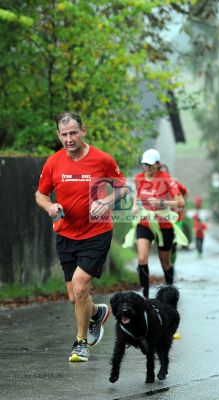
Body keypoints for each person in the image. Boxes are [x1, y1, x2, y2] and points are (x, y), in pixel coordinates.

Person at [35, 111, 127, 362]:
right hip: (65, 233)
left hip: (96, 232)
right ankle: (97, 312)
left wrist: (107, 201)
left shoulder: (102, 159)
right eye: (64, 134)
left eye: (73, 133)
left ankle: (80, 343)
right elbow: (40, 195)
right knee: (74, 296)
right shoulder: (53, 162)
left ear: (83, 131)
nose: (69, 139)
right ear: (58, 135)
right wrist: (50, 207)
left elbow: (122, 187)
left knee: (79, 286)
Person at [131, 149, 186, 298]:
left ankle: (170, 293)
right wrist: (135, 206)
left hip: (164, 225)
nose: (146, 168)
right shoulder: (138, 178)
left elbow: (181, 202)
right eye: (144, 164)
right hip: (145, 222)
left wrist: (161, 202)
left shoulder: (167, 179)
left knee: (165, 263)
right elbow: (137, 196)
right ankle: (145, 297)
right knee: (142, 258)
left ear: (157, 164)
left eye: (149, 165)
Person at [159, 163, 189, 263]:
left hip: (176, 218)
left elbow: (186, 192)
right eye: (160, 172)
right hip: (162, 218)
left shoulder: (174, 183)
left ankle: (172, 263)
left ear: (168, 173)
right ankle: (167, 264)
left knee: (173, 242)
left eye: (164, 172)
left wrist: (181, 206)